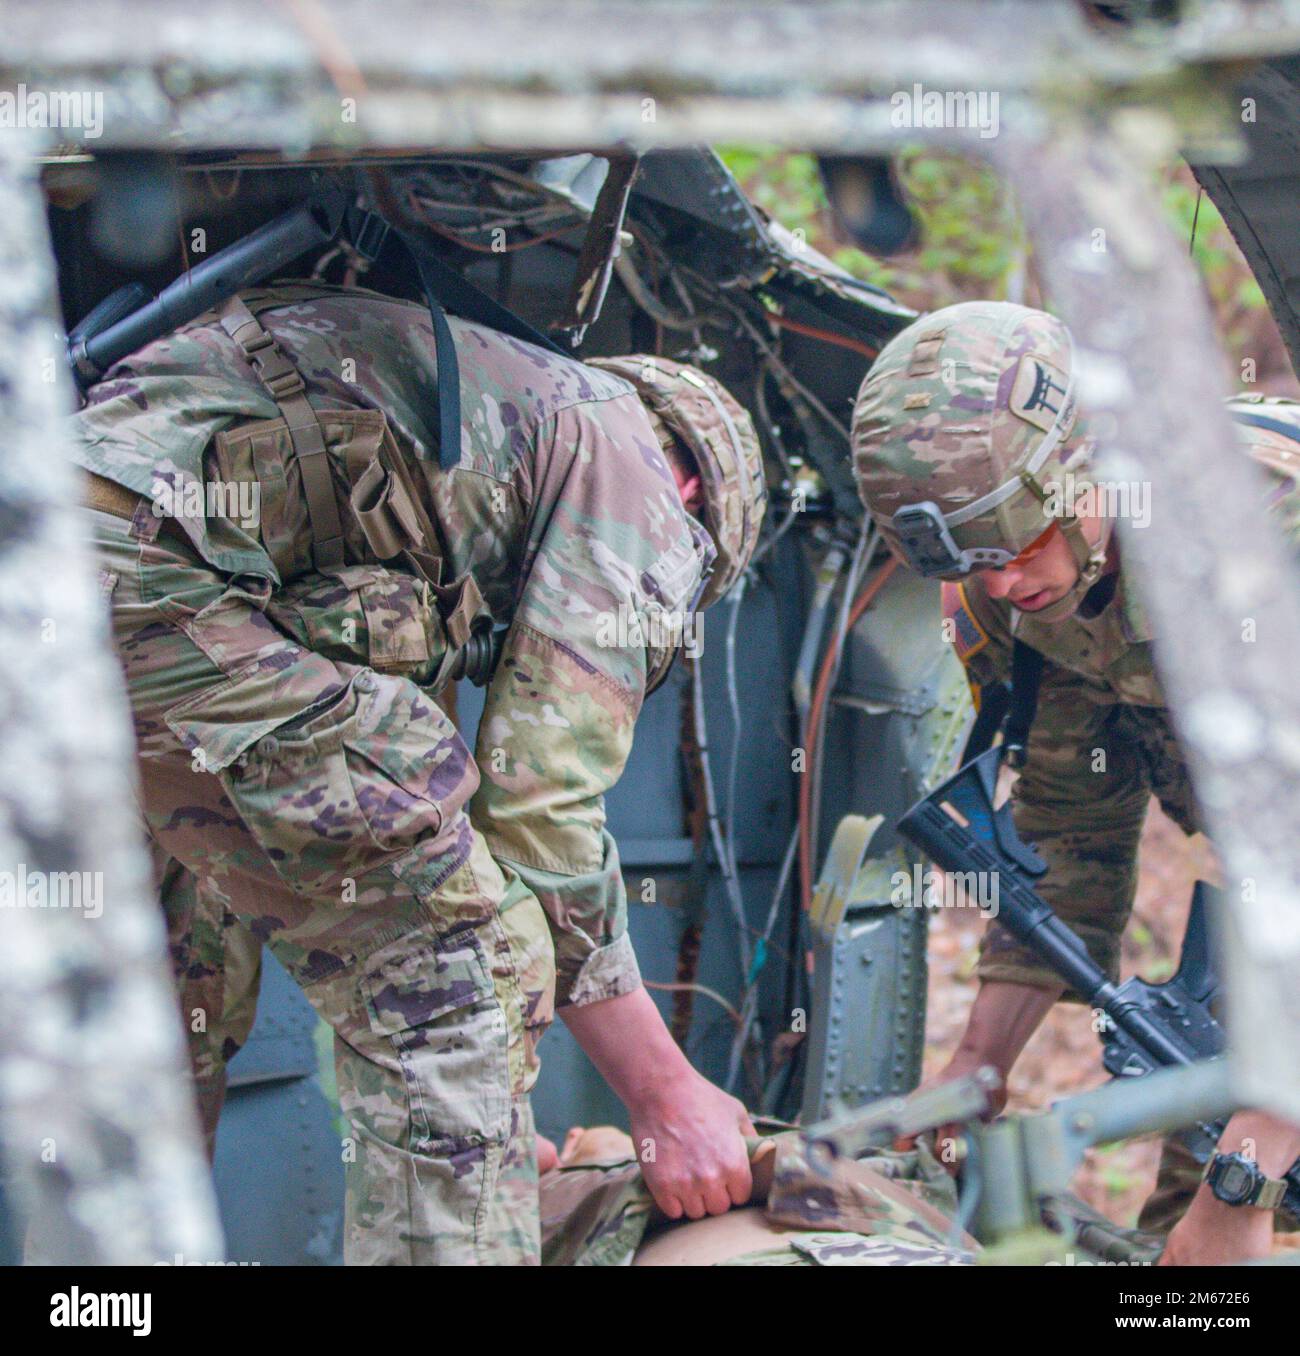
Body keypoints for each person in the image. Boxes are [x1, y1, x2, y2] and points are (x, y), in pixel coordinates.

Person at [73, 277, 765, 1263]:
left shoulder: (468, 431)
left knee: (169, 986)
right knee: (454, 989)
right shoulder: (629, 465)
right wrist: (665, 1097)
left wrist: (472, 1125)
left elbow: (394, 808)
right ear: (696, 495)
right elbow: (541, 807)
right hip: (149, 573)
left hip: (64, 568)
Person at [851, 299, 1300, 1265]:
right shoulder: (1027, 592)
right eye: (974, 561)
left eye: (1013, 543)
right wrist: (979, 1064)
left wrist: (1246, 1175)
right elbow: (1069, 830)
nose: (1002, 584)